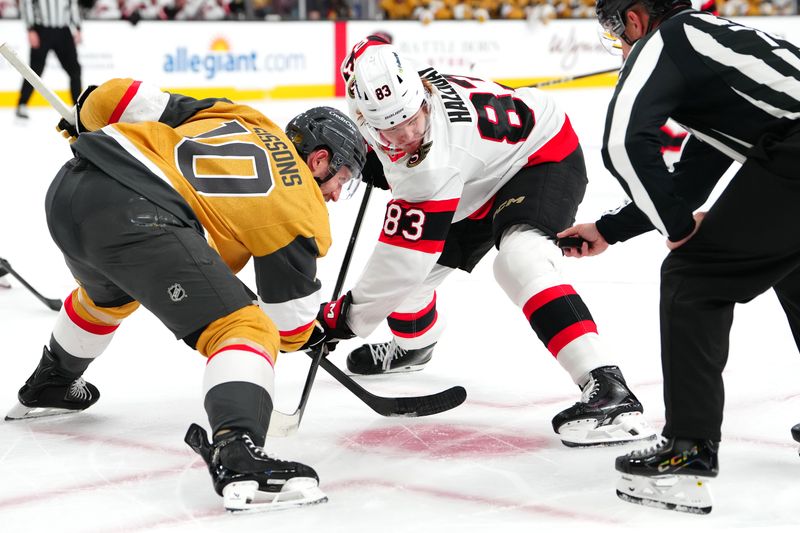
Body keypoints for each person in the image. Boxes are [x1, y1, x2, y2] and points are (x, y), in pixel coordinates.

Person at [4, 78, 367, 511]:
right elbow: (288, 327)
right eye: (341, 179)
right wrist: (316, 328)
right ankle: (239, 455)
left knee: (109, 296)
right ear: (320, 159)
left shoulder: (242, 115)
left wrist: (87, 119)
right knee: (245, 326)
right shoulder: (302, 206)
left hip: (71, 191)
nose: (335, 193)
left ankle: (52, 381)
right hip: (139, 214)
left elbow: (116, 98)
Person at [316, 38, 656, 448]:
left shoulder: (432, 164)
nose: (407, 134)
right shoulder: (406, 91)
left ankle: (609, 388)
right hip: (475, 178)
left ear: (422, 95)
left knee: (518, 262)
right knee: (409, 292)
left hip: (538, 158)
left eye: (413, 118)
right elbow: (369, 52)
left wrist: (344, 318)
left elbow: (400, 260)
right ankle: (414, 347)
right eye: (392, 126)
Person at [557, 0, 800, 513]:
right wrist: (608, 230)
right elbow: (693, 177)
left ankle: (688, 453)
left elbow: (623, 145)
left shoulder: (667, 40)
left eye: (617, 31)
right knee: (793, 263)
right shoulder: (713, 47)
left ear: (636, 19)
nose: (621, 45)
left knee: (694, 278)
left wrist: (677, 230)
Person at [16, 0, 83, 119]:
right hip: (42, 30)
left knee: (75, 70)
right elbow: (26, 3)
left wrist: (77, 27)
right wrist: (30, 29)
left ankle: (78, 108)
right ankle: (22, 104)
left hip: (63, 30)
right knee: (35, 70)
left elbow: (72, 4)